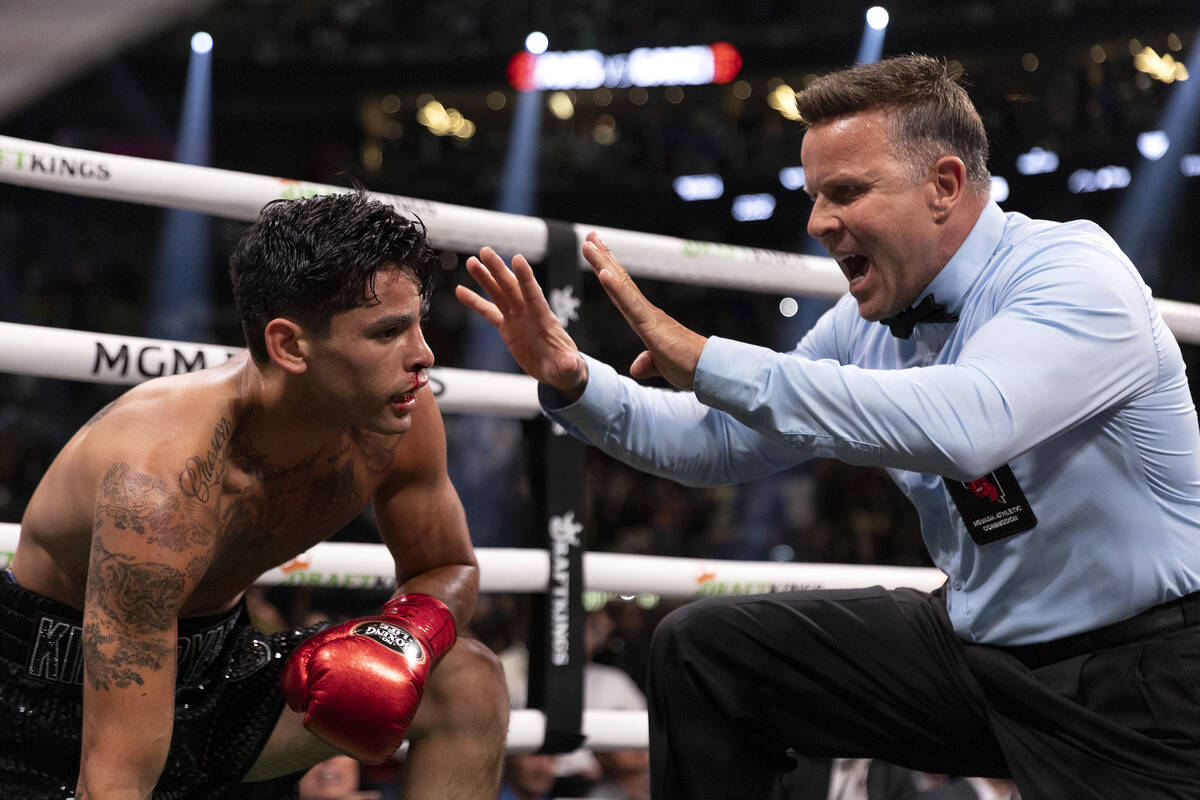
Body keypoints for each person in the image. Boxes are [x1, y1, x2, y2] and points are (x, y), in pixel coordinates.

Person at [455, 54, 1200, 800]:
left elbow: (972, 423)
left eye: (846, 192)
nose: (818, 223)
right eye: (815, 196)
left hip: (1138, 673)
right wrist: (576, 380)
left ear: (943, 185)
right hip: (979, 655)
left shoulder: (1074, 274)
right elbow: (713, 441)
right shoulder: (862, 326)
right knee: (706, 651)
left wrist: (710, 357)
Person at [4, 191, 508, 798]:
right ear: (290, 346)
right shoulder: (161, 483)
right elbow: (115, 779)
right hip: (44, 692)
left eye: (417, 323)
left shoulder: (398, 418)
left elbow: (446, 565)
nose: (423, 355)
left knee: (469, 683)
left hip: (217, 668)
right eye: (387, 332)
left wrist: (405, 638)